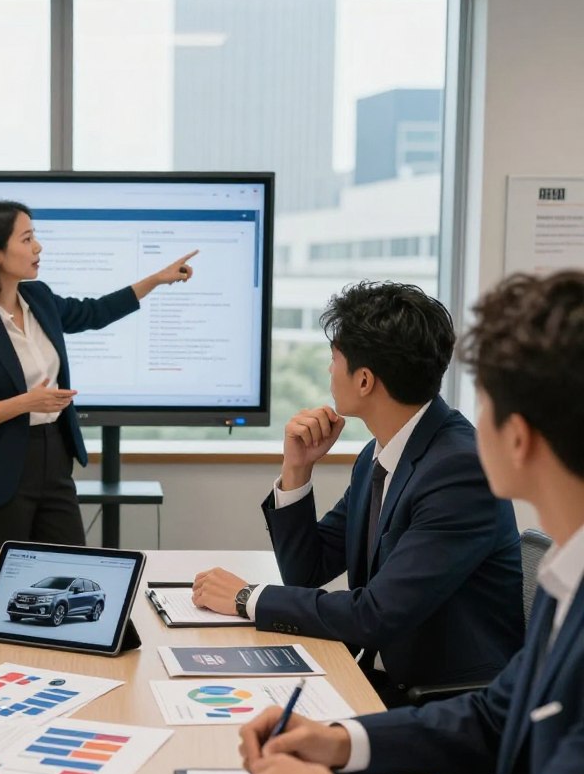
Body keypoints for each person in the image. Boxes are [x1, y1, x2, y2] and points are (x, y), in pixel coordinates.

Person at [240, 270, 584, 774]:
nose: (464, 413)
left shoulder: (451, 462)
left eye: (482, 401)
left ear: (515, 437)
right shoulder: (566, 581)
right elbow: (498, 712)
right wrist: (340, 741)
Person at [192, 281, 522, 705]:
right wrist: (297, 467)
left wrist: (246, 598)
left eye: (334, 359)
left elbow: (374, 616)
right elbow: (307, 572)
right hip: (380, 680)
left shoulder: (460, 471)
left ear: (364, 380)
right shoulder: (380, 454)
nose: (329, 371)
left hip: (446, 706)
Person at [0, 200, 196, 548]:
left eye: (35, 237)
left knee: (71, 574)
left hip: (55, 459)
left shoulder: (39, 298)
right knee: (2, 587)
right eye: (27, 239)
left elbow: (94, 312)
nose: (38, 247)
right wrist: (25, 403)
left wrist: (155, 280)